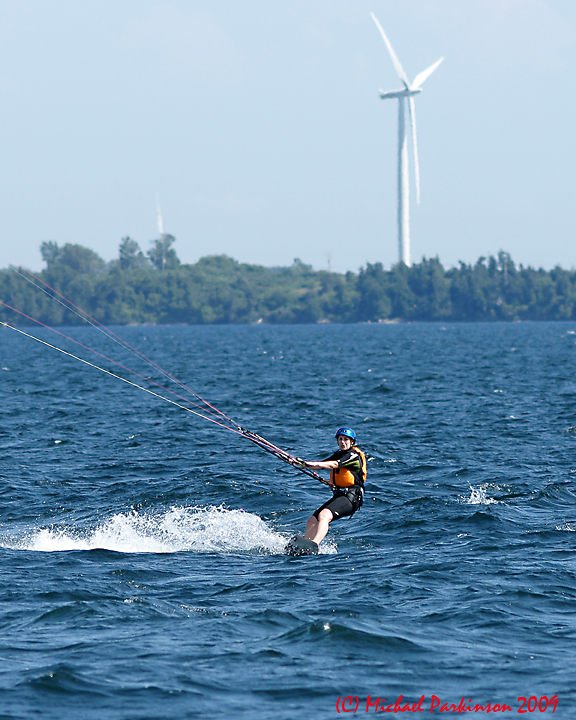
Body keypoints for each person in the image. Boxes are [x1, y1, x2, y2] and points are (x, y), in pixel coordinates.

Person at [293, 427, 367, 547]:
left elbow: (333, 464)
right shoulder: (338, 454)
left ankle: (314, 544)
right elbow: (321, 466)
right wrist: (301, 463)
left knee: (324, 515)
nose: (343, 442)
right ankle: (304, 545)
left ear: (352, 442)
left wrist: (311, 463)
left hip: (351, 498)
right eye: (340, 439)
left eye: (346, 439)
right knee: (312, 520)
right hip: (340, 496)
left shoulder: (353, 455)